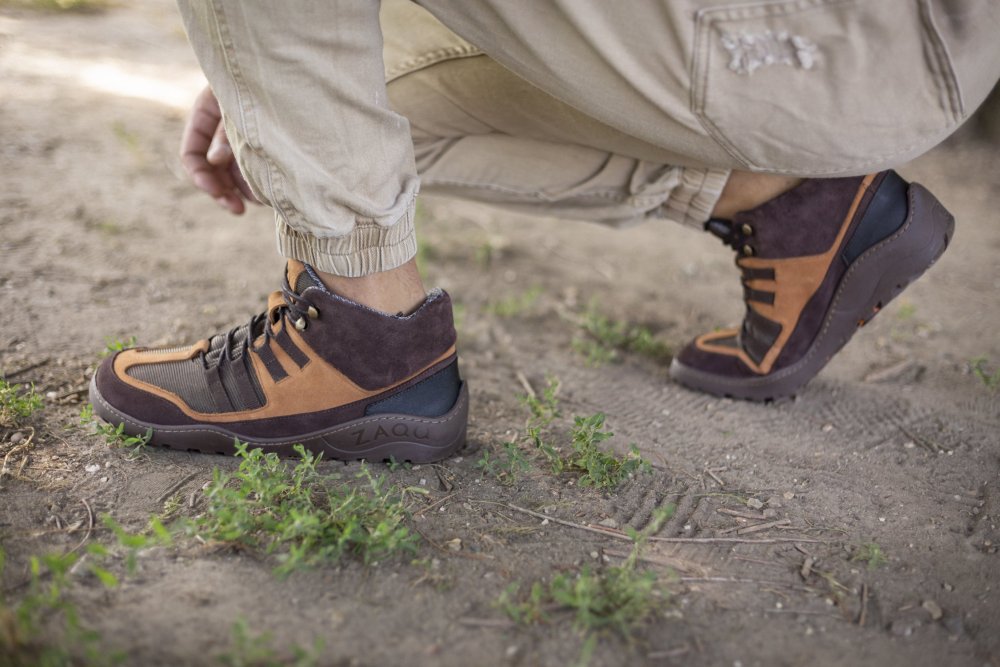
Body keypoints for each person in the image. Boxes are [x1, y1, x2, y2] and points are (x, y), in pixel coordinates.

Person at [88, 0, 1000, 462]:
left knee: (329, 121)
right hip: (911, 45)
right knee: (335, 120)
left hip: (817, 31)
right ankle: (790, 203)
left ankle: (362, 337)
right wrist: (259, 67)